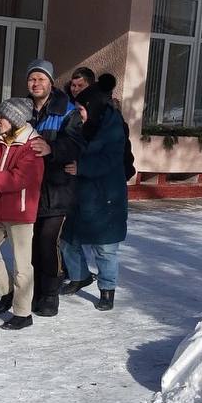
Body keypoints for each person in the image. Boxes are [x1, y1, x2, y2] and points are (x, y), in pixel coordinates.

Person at [60, 74, 128, 310]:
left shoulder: (113, 127)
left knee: (105, 248)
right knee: (68, 240)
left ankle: (107, 290)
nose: (78, 113)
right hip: (79, 195)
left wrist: (82, 167)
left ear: (94, 107)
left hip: (106, 196)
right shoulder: (78, 125)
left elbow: (111, 160)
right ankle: (80, 276)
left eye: (82, 109)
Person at [0, 97, 43, 330]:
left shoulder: (32, 145)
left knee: (22, 266)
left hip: (20, 212)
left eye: (2, 117)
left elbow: (20, 177)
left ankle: (23, 314)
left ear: (15, 120)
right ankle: (6, 293)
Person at [26, 58, 83, 317]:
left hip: (57, 190)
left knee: (48, 242)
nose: (36, 83)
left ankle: (50, 294)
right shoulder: (22, 109)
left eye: (41, 79)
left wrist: (52, 148)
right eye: (32, 79)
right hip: (29, 190)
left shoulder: (67, 111)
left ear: (50, 82)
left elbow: (75, 144)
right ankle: (34, 291)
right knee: (31, 243)